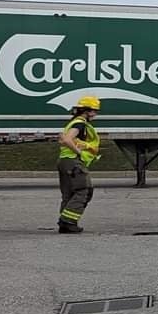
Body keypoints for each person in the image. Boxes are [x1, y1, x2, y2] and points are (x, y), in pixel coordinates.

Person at [56, 95, 102, 234]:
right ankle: (67, 221)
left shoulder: (74, 121)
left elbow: (63, 138)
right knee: (84, 190)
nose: (95, 114)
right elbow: (67, 140)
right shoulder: (80, 123)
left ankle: (66, 224)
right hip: (73, 161)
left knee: (69, 193)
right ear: (87, 111)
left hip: (65, 161)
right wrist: (79, 152)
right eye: (94, 111)